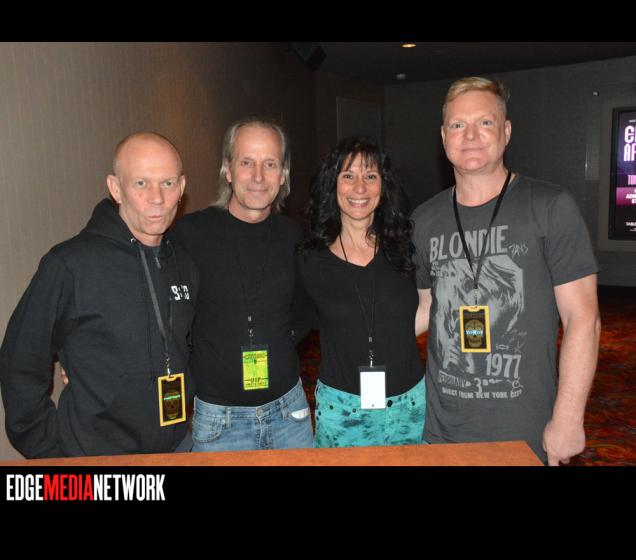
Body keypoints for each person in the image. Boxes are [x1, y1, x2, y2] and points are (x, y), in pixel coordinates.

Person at [412, 77, 601, 466]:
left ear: (506, 131)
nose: (470, 136)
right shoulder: (423, 220)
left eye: (485, 122)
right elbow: (426, 309)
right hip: (440, 430)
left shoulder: (550, 207)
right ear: (444, 137)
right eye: (458, 125)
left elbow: (583, 319)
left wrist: (568, 418)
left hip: (525, 430)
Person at [0, 132, 198, 458]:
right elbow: (20, 362)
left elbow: (187, 345)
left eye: (167, 183)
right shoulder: (70, 265)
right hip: (97, 456)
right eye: (141, 183)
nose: (157, 198)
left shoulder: (184, 264)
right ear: (115, 188)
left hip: (177, 448)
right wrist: (49, 450)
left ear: (181, 187)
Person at [169, 117, 313, 451]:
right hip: (220, 424)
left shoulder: (294, 237)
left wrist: (275, 340)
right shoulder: (190, 235)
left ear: (283, 174)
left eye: (270, 164)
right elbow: (160, 308)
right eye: (247, 162)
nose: (258, 176)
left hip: (289, 416)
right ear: (228, 170)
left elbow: (305, 311)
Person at [298, 136, 426, 448]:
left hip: (410, 406)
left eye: (370, 176)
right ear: (333, 184)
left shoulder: (406, 247)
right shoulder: (309, 258)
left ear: (384, 185)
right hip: (342, 411)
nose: (359, 188)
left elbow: (428, 304)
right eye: (348, 176)